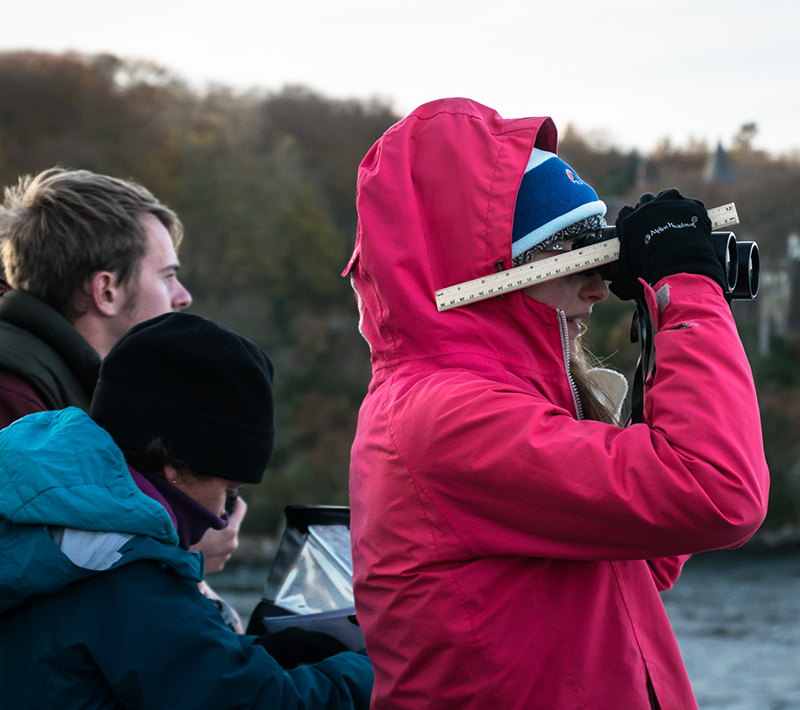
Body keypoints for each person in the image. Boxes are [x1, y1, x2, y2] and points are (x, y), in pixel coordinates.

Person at [342, 98, 769, 710]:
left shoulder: (492, 402)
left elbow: (644, 560)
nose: (597, 286)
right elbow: (717, 494)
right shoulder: (446, 418)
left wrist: (660, 331)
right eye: (569, 255)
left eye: (599, 256)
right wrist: (688, 292)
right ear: (487, 269)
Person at [0, 312, 373, 709]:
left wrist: (266, 651)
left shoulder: (50, 517)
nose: (224, 516)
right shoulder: (125, 567)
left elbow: (175, 662)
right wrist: (376, 671)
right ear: (174, 465)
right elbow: (258, 703)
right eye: (229, 492)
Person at [0, 167, 244, 627]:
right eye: (167, 275)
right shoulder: (14, 392)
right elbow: (31, 588)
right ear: (106, 291)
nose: (184, 296)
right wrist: (183, 540)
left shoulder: (68, 379)